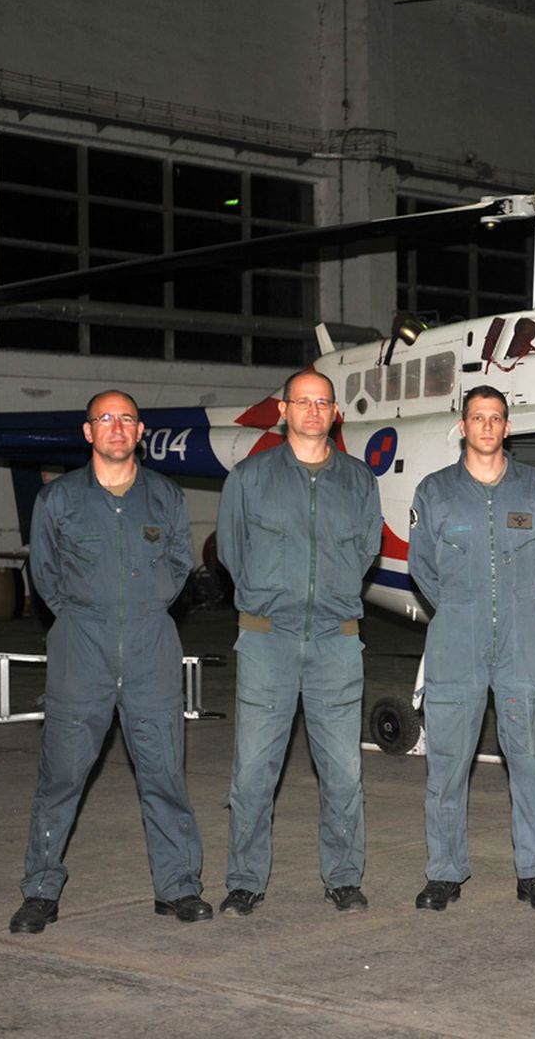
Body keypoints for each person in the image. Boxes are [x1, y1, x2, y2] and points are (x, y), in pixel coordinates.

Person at [10, 390, 208, 934]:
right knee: (60, 780)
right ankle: (41, 892)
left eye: (126, 419)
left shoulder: (164, 497)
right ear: (88, 431)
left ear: (140, 432)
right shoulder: (59, 500)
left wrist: (144, 605)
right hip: (81, 654)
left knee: (165, 776)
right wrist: (84, 615)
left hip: (152, 652)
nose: (116, 427)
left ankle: (178, 888)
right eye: (105, 419)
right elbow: (45, 575)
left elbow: (178, 564)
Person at [216, 370, 382, 917]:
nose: (312, 410)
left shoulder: (359, 481)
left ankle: (342, 878)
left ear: (336, 414)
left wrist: (330, 597)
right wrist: (271, 601)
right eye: (301, 401)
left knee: (343, 773)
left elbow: (365, 552)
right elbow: (232, 551)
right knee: (252, 772)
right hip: (267, 642)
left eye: (323, 403)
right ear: (283, 410)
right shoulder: (250, 477)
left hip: (336, 642)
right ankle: (244, 879)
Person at [408, 386, 535, 911]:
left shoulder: (534, 487)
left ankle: (534, 872)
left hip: (522, 644)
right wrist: (460, 609)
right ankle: (444, 874)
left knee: (530, 765)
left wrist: (518, 606)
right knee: (448, 766)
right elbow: (422, 568)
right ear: (464, 425)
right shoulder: (435, 492)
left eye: (496, 418)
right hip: (456, 644)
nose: (488, 427)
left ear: (507, 426)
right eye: (478, 417)